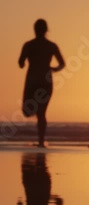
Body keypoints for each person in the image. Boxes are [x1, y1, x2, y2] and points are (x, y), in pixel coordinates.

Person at [18, 19, 65, 147]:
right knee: (36, 113)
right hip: (43, 82)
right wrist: (54, 69)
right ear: (45, 30)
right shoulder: (47, 46)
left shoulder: (30, 45)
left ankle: (41, 141)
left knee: (34, 112)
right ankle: (41, 140)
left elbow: (20, 63)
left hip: (35, 81)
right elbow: (62, 64)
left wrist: (24, 61)